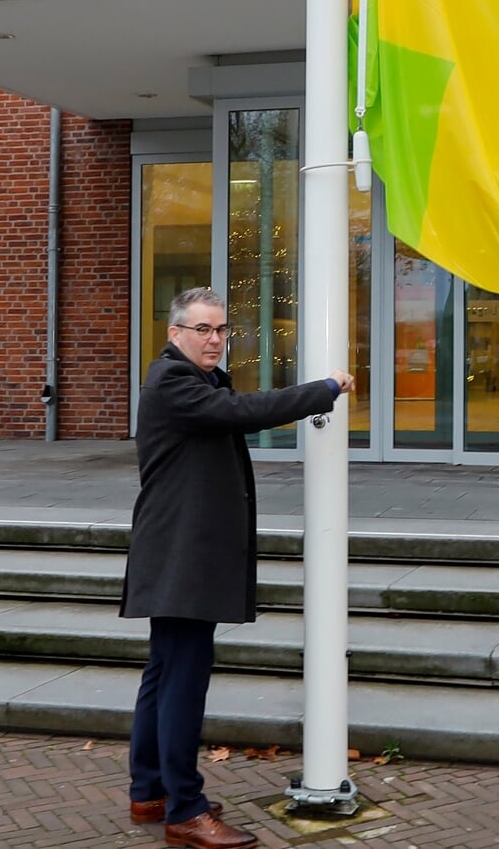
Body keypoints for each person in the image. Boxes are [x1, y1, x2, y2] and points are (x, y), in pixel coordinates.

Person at [121, 286, 354, 849]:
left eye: (222, 330)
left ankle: (150, 790)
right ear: (175, 334)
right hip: (182, 555)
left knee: (164, 673)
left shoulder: (192, 381)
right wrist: (323, 390)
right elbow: (245, 413)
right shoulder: (173, 381)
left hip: (177, 552)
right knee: (182, 681)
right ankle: (185, 810)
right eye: (202, 329)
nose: (215, 340)